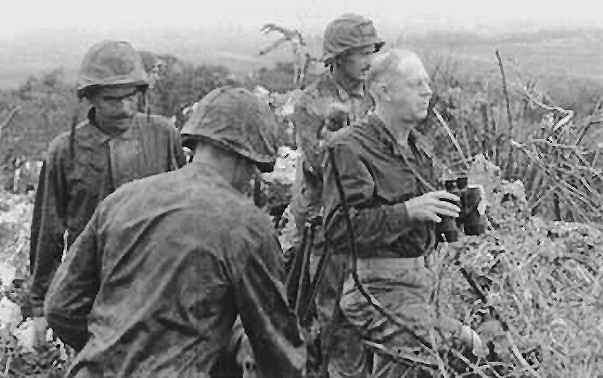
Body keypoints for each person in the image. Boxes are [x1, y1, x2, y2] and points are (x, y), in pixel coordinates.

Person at [44, 87, 306, 377]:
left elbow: (61, 307)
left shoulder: (122, 199)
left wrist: (117, 349)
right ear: (249, 160)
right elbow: (276, 348)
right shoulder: (247, 226)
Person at [322, 49, 482, 377]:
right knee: (446, 347)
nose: (427, 91)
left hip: (420, 285)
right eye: (414, 84)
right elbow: (339, 230)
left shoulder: (418, 147)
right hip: (376, 287)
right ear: (383, 91)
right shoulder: (349, 148)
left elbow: (427, 220)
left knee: (449, 355)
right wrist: (407, 212)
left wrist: (460, 211)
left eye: (427, 82)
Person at [27, 40, 187, 345]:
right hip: (92, 285)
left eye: (131, 97)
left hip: (156, 279)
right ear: (92, 99)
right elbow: (47, 230)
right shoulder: (65, 150)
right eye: (112, 99)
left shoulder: (163, 134)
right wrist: (40, 307)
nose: (125, 108)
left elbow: (184, 205)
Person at [286, 13, 384, 377]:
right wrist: (333, 134)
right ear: (339, 57)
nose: (369, 61)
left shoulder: (375, 95)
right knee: (331, 317)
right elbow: (316, 165)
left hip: (366, 222)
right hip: (325, 227)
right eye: (361, 54)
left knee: (366, 311)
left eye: (372, 52)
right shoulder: (311, 102)